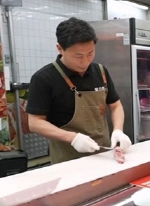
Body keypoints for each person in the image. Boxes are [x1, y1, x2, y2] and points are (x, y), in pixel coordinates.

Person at [26, 17, 131, 165]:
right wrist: (72, 138)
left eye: (90, 53)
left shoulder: (100, 71)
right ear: (59, 49)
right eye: (78, 56)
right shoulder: (44, 78)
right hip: (68, 159)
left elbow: (115, 105)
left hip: (105, 154)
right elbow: (35, 122)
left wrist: (118, 130)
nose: (85, 62)